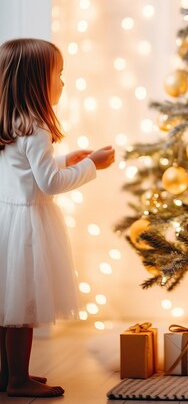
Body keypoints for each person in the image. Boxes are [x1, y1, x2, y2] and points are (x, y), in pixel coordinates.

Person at [0, 38, 115, 397]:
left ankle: (8, 375)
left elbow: (28, 172)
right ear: (36, 82)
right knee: (25, 309)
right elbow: (48, 184)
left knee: (8, 307)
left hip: (8, 221)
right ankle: (18, 380)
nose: (63, 82)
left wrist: (67, 158)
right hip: (30, 228)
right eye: (59, 75)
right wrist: (89, 165)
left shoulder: (11, 123)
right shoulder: (37, 128)